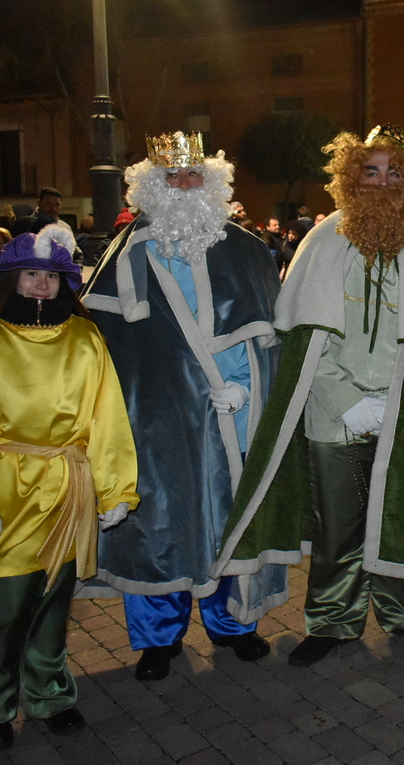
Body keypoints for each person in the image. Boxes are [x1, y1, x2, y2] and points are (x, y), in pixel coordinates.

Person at [210, 124, 404, 666]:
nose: (381, 183)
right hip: (333, 414)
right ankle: (332, 620)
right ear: (352, 178)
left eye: (393, 171)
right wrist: (346, 402)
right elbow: (302, 338)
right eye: (370, 172)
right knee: (338, 522)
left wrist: (395, 402)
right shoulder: (324, 238)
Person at [82, 132, 284, 680]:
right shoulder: (126, 254)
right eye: (172, 177)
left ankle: (234, 624)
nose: (185, 185)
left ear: (212, 183)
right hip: (154, 420)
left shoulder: (244, 248)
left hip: (229, 418)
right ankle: (157, 640)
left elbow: (266, 337)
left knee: (227, 520)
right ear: (153, 186)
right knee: (160, 523)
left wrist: (244, 389)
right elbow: (100, 350)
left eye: (195, 175)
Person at [0, 223, 137, 752]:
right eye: (30, 274)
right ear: (9, 279)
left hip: (66, 488)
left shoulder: (85, 337)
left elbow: (107, 415)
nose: (41, 285)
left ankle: (49, 693)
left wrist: (116, 490)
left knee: (50, 605)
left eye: (50, 275)